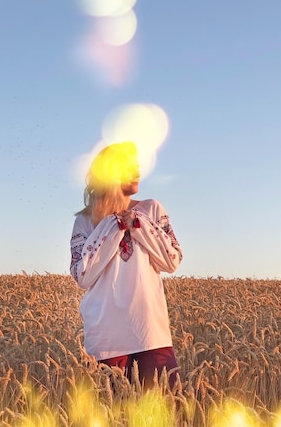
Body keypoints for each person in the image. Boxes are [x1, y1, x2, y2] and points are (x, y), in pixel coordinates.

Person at [69, 141, 182, 389]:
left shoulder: (151, 209)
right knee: (111, 415)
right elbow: (82, 276)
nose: (138, 173)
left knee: (166, 410)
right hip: (105, 339)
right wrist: (113, 227)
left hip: (150, 332)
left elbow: (172, 260)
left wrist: (138, 225)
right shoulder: (86, 221)